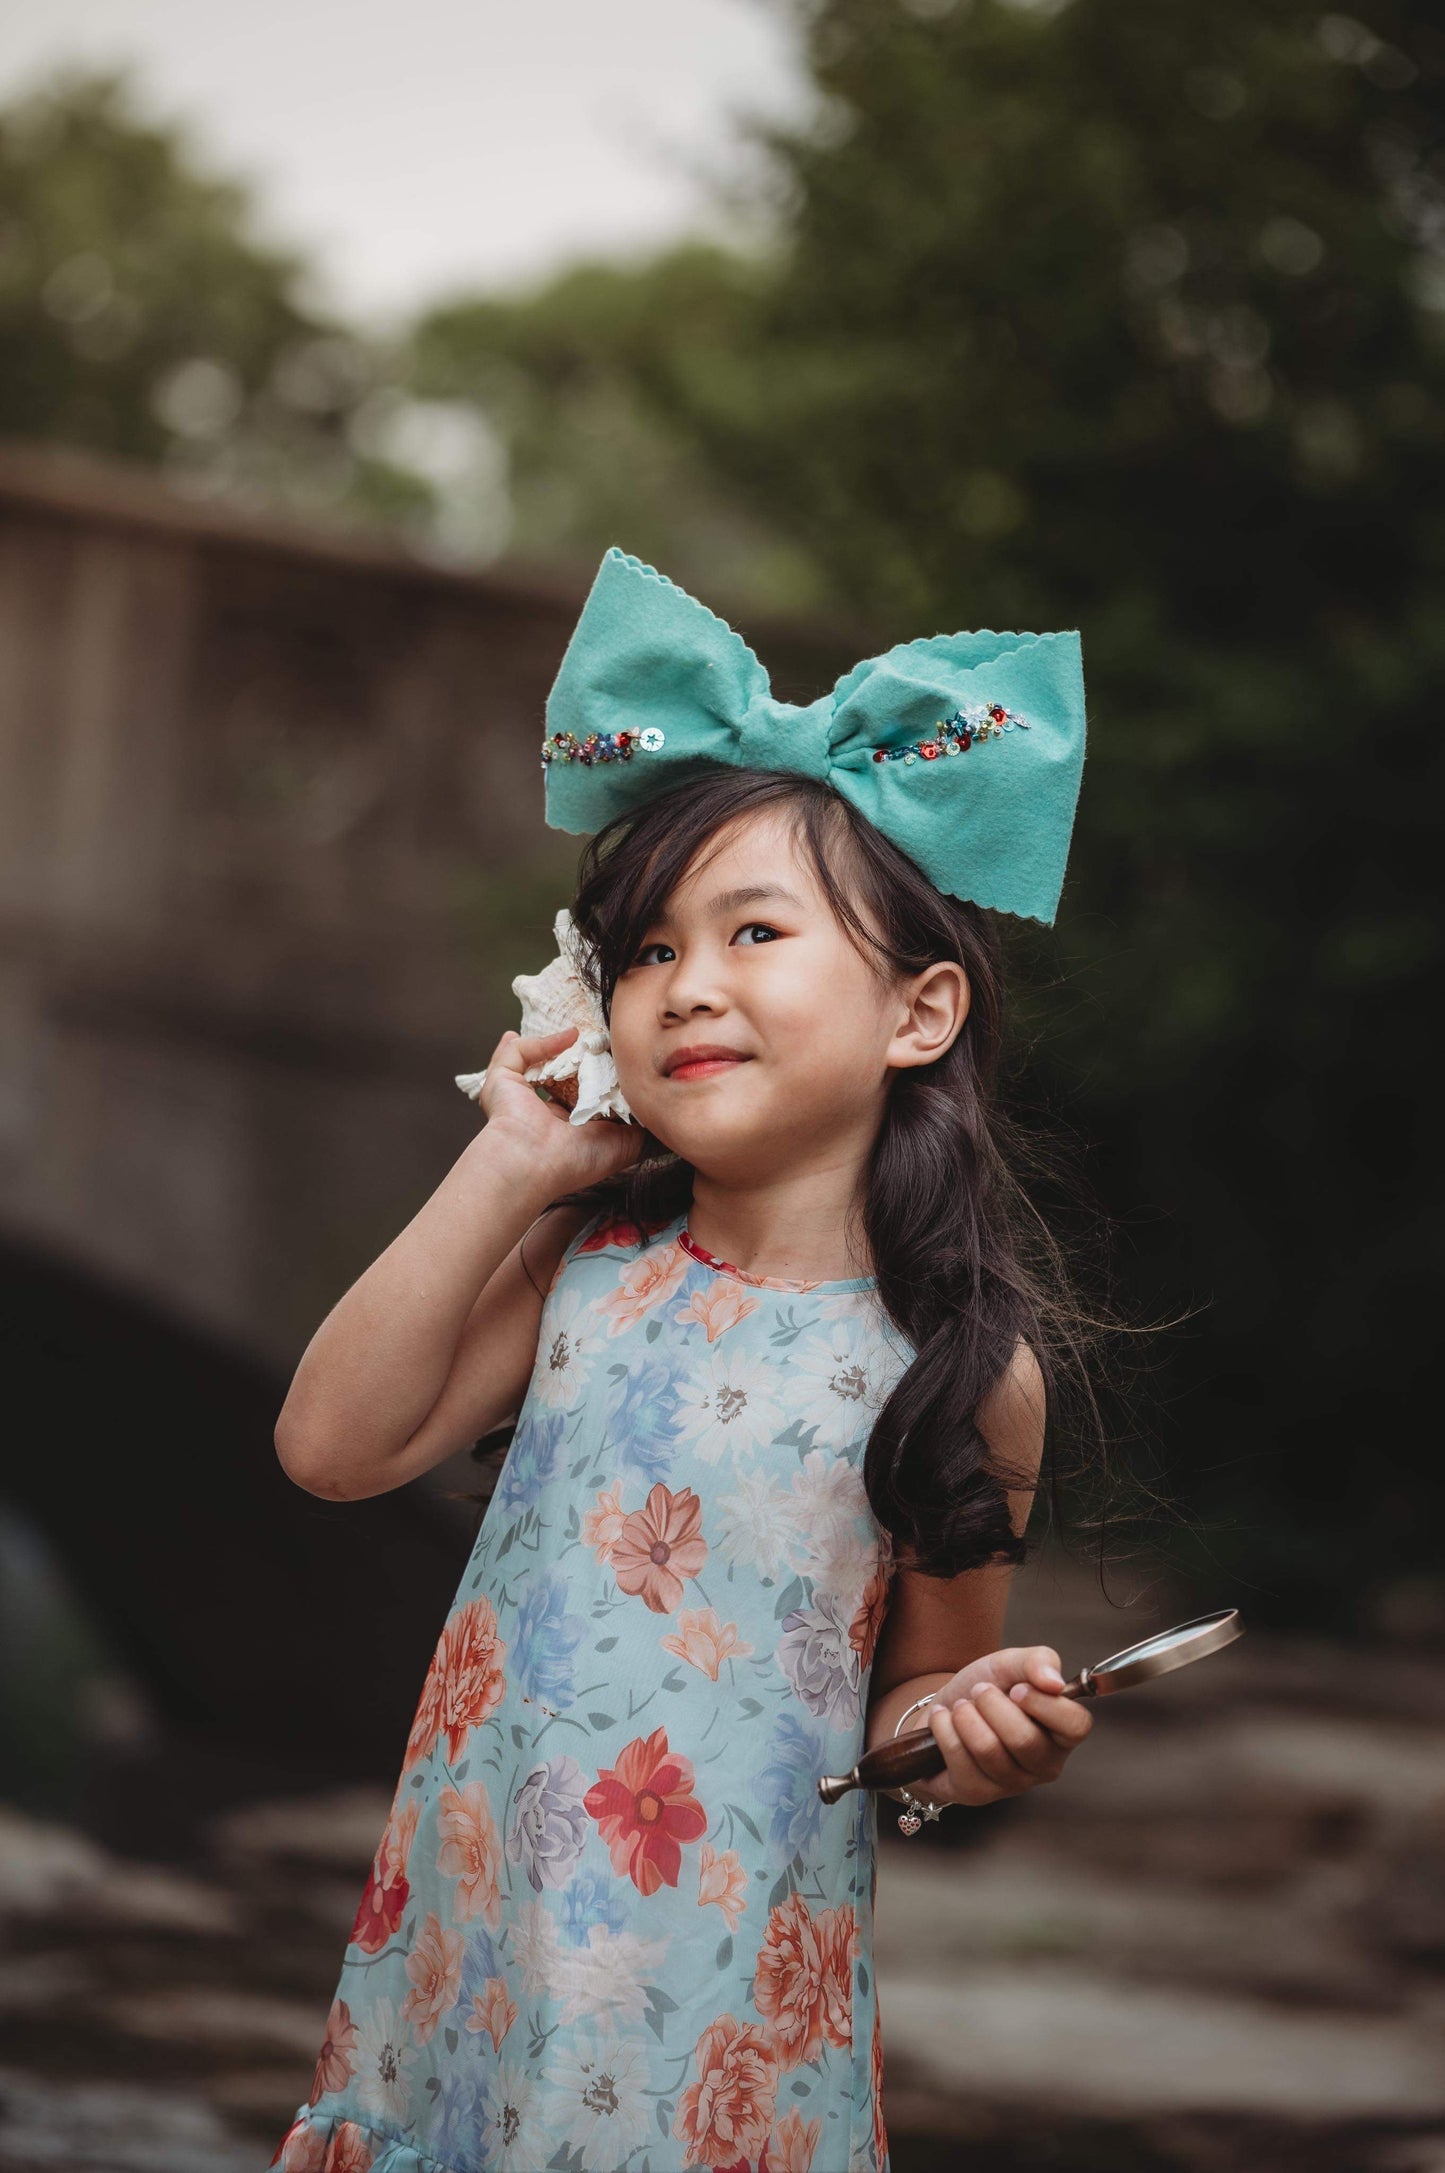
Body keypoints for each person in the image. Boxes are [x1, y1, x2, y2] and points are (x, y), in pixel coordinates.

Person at [269, 548, 1102, 2173]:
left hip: (721, 2036)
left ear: (916, 1011)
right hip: (474, 1977)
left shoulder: (961, 1368)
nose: (685, 982)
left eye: (752, 929)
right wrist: (511, 1160)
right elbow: (329, 1445)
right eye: (643, 948)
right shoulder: (589, 1267)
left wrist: (985, 1729)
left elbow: (913, 1701)